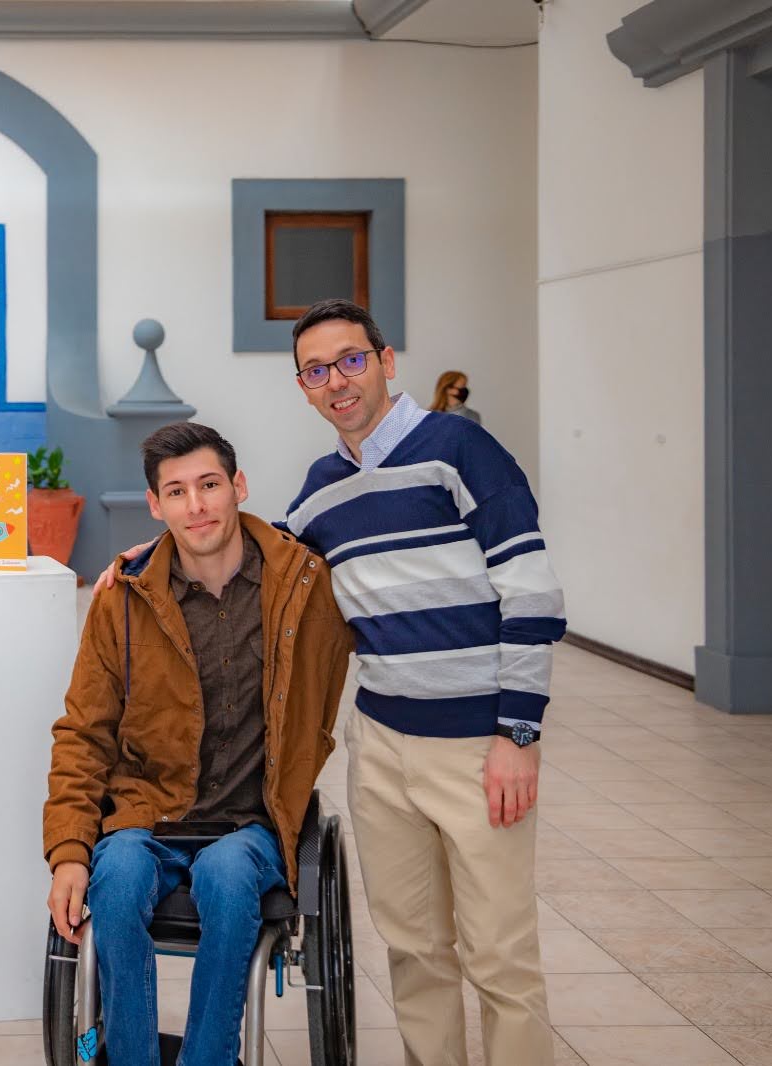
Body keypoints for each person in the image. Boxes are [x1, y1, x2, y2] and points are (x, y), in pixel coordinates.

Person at [97, 299, 566, 1066]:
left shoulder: (461, 451)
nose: (337, 381)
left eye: (351, 360)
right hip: (381, 746)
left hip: (478, 745)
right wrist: (139, 563)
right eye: (316, 371)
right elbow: (250, 547)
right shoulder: (321, 493)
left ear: (385, 362)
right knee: (415, 951)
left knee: (500, 957)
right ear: (304, 387)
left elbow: (534, 595)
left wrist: (517, 733)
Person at [45, 422, 352, 1066]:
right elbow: (83, 733)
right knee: (118, 874)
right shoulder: (121, 602)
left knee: (227, 874)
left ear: (238, 486)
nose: (198, 506)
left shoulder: (305, 586)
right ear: (155, 505)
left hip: (253, 821)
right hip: (146, 817)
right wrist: (70, 852)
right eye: (177, 492)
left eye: (210, 485)